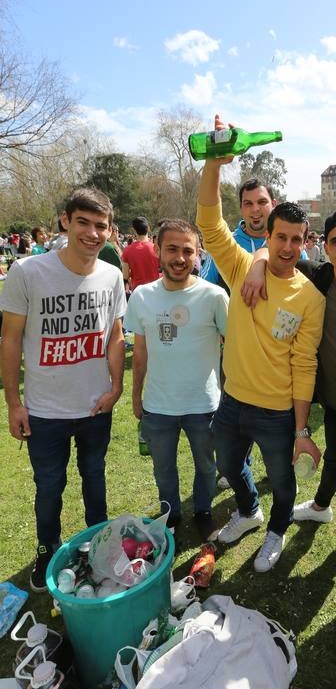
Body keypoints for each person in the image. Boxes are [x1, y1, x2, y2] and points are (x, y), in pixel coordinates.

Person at [196, 115, 325, 572]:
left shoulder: (310, 298)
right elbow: (209, 224)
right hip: (231, 401)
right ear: (265, 236)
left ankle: (276, 531)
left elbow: (305, 363)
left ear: (305, 241)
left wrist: (302, 427)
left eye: (296, 239)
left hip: (276, 410)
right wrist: (214, 161)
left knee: (284, 480)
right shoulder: (238, 265)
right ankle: (250, 512)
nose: (288, 246)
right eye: (280, 237)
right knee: (229, 465)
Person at [243, 208, 336, 559]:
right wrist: (255, 265)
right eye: (335, 241)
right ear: (324, 245)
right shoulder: (317, 278)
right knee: (334, 460)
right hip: (335, 401)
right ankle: (321, 505)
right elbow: (272, 249)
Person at [0, 187, 126, 591]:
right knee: (49, 485)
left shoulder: (112, 275)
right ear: (65, 221)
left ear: (110, 230)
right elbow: (11, 340)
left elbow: (115, 335)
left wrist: (117, 387)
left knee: (95, 477)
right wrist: (13, 402)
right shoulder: (27, 272)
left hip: (95, 407)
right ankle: (46, 549)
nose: (92, 233)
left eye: (100, 226)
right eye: (83, 223)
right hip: (45, 410)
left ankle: (100, 545)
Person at [125, 220, 228, 541]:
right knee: (163, 470)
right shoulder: (141, 297)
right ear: (157, 249)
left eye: (188, 251)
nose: (180, 258)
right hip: (158, 406)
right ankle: (170, 516)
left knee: (207, 467)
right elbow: (139, 353)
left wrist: (230, 396)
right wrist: (136, 395)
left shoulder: (214, 296)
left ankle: (203, 511)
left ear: (198, 255)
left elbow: (233, 350)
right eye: (172, 249)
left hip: (205, 405)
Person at [121, 217, 160, 292]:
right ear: (148, 228)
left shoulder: (127, 250)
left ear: (134, 230)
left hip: (137, 292)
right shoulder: (156, 248)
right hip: (156, 290)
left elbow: (125, 276)